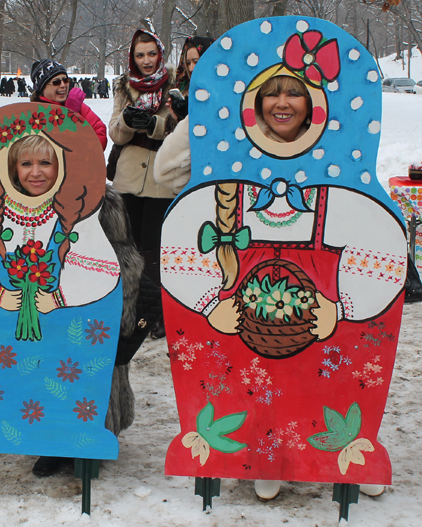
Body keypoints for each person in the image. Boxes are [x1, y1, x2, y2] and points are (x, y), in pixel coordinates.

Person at [155, 61, 398, 498]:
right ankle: (266, 454)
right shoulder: (227, 176)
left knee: (321, 386)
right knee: (254, 384)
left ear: (315, 105)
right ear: (253, 102)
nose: (282, 103)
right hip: (247, 332)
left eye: (295, 92)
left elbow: (381, 251)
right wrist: (212, 304)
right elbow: (176, 221)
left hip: (318, 330)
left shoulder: (336, 183)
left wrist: (341, 307)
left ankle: (338, 453)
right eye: (271, 92)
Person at [0, 107, 143, 475]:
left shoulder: (87, 209)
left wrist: (60, 297)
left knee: (69, 382)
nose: (36, 172)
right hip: (9, 324)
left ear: (61, 167)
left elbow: (103, 266)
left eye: (45, 163)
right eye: (26, 164)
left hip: (71, 323)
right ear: (12, 168)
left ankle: (76, 440)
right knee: (27, 382)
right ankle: (40, 437)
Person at [109, 29, 176, 339]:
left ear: (160, 55)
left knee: (155, 247)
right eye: (140, 55)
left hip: (163, 177)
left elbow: (180, 125)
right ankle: (129, 306)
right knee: (128, 246)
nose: (146, 61)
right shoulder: (123, 86)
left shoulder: (174, 85)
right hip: (128, 178)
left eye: (151, 54)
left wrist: (154, 124)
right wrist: (126, 121)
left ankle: (157, 311)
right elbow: (114, 131)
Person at [30, 59, 107, 150]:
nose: (63, 85)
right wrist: (70, 115)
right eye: (56, 82)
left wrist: (85, 151)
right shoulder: (34, 113)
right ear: (42, 88)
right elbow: (51, 148)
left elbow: (100, 133)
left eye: (65, 80)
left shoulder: (78, 106)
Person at [168, 36, 214, 121]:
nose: (191, 68)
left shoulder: (221, 92)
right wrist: (177, 116)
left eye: (196, 62)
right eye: (188, 63)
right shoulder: (184, 89)